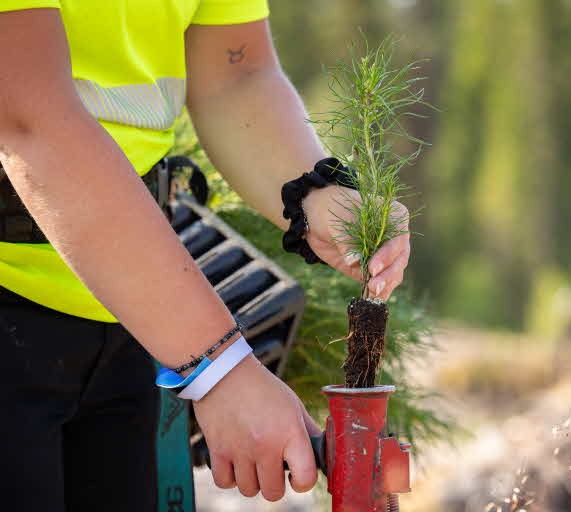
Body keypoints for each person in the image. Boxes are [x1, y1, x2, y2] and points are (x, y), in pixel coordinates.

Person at [0, 1, 411, 511]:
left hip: (131, 315)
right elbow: (29, 121)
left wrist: (317, 196)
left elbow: (235, 75)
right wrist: (220, 369)